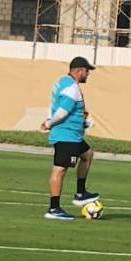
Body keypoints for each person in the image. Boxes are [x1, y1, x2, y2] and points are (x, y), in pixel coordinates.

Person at [41, 56, 100, 221]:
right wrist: (50, 123)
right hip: (66, 135)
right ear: (79, 70)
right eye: (87, 71)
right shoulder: (72, 88)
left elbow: (53, 104)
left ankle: (81, 193)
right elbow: (62, 111)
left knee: (87, 154)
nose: (88, 75)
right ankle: (54, 208)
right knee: (60, 170)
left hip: (73, 134)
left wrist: (83, 122)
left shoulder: (62, 82)